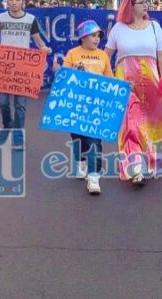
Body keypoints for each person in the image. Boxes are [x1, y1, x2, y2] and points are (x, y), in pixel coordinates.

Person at [104, 0, 162, 185]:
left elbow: (161, 55)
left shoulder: (155, 27)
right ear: (130, 6)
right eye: (141, 2)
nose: (146, 6)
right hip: (126, 80)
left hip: (152, 81)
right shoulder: (118, 28)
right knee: (129, 124)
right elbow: (106, 55)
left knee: (154, 122)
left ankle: (156, 162)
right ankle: (134, 168)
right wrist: (108, 80)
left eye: (146, 2)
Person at [52, 20, 113, 194]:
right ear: (83, 37)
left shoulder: (103, 56)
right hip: (76, 105)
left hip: (96, 106)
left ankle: (94, 177)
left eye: (98, 36)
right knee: (78, 137)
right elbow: (64, 76)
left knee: (94, 140)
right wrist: (59, 71)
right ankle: (81, 162)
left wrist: (121, 86)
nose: (97, 39)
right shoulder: (73, 53)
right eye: (93, 36)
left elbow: (109, 78)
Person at [0, 0, 51, 150]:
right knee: (3, 103)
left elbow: (38, 41)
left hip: (22, 70)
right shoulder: (0, 18)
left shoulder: (30, 19)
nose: (14, 2)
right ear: (7, 1)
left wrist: (44, 48)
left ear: (22, 2)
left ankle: (18, 138)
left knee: (20, 105)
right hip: (3, 69)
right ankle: (8, 123)